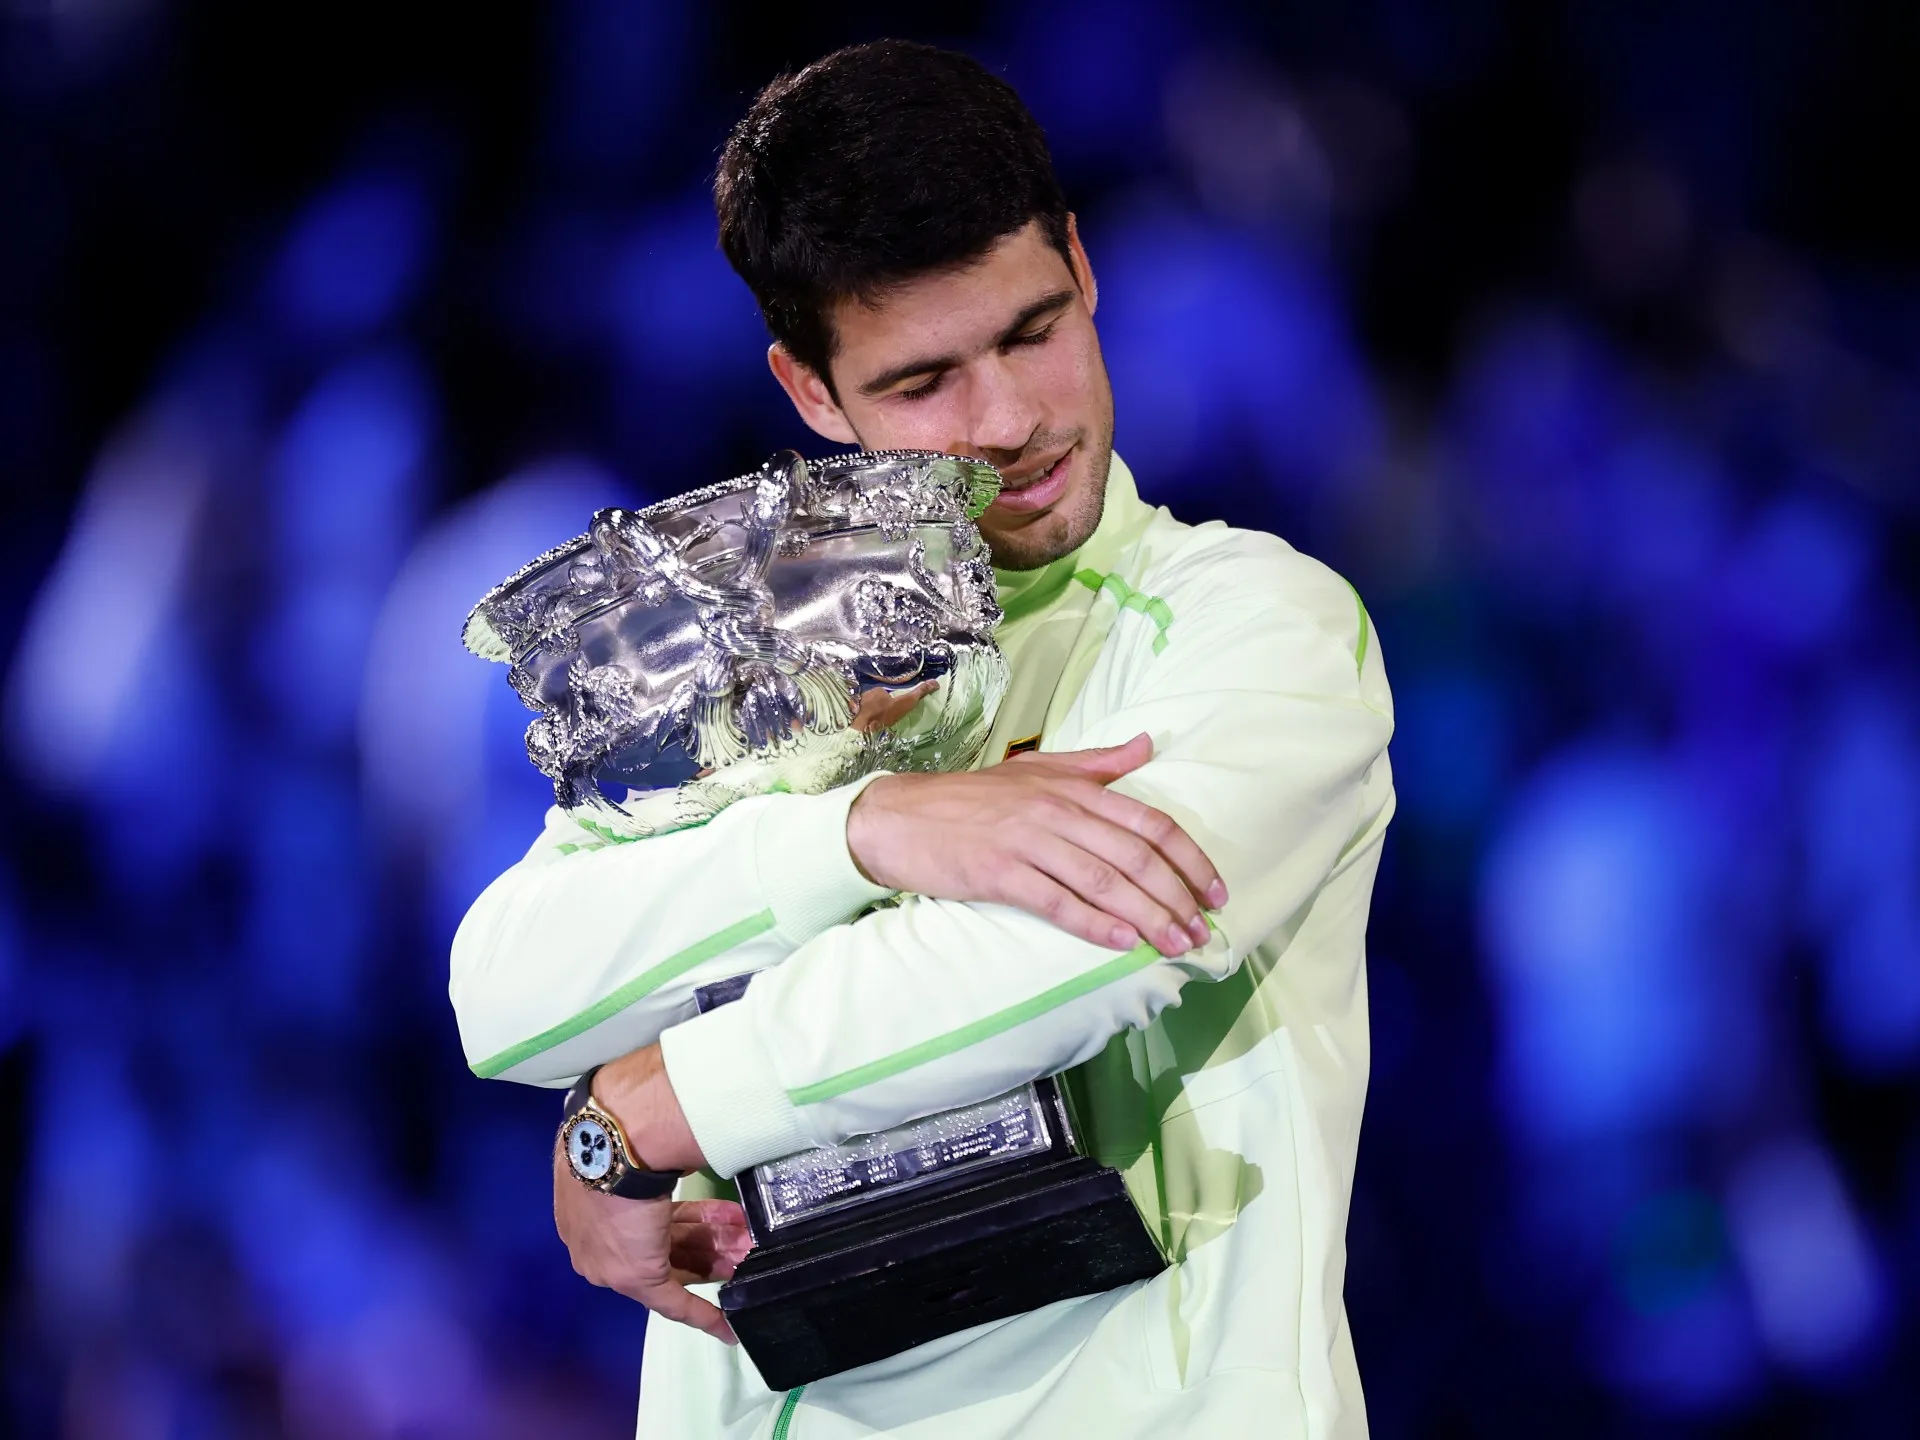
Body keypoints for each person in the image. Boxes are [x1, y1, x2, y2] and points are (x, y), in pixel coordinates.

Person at [450, 39, 1394, 1440]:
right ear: (810, 393)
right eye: (922, 383)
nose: (1010, 421)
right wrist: (854, 834)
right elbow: (509, 992)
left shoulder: (1258, 627)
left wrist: (654, 1106)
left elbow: (1079, 952)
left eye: (1032, 331)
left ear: (1083, 268)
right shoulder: (732, 648)